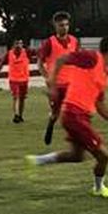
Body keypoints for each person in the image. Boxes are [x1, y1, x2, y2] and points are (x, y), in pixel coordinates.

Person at [28, 36, 108, 197]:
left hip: (82, 116)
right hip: (74, 114)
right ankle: (99, 189)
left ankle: (37, 160)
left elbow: (100, 105)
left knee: (76, 156)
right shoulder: (92, 57)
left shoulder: (106, 73)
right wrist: (52, 85)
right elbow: (61, 59)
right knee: (103, 155)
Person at [39, 12, 81, 146]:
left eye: (66, 25)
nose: (65, 27)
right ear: (55, 26)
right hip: (56, 85)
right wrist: (47, 78)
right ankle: (51, 124)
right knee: (56, 113)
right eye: (61, 25)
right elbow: (40, 63)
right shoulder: (49, 43)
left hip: (71, 83)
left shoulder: (74, 41)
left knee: (73, 111)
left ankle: (75, 138)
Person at [0, 38, 34, 123]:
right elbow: (1, 64)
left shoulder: (27, 52)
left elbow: (39, 54)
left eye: (20, 43)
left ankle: (20, 116)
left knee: (22, 98)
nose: (18, 45)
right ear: (13, 45)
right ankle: (16, 115)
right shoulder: (9, 54)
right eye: (17, 43)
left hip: (24, 79)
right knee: (16, 97)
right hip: (13, 79)